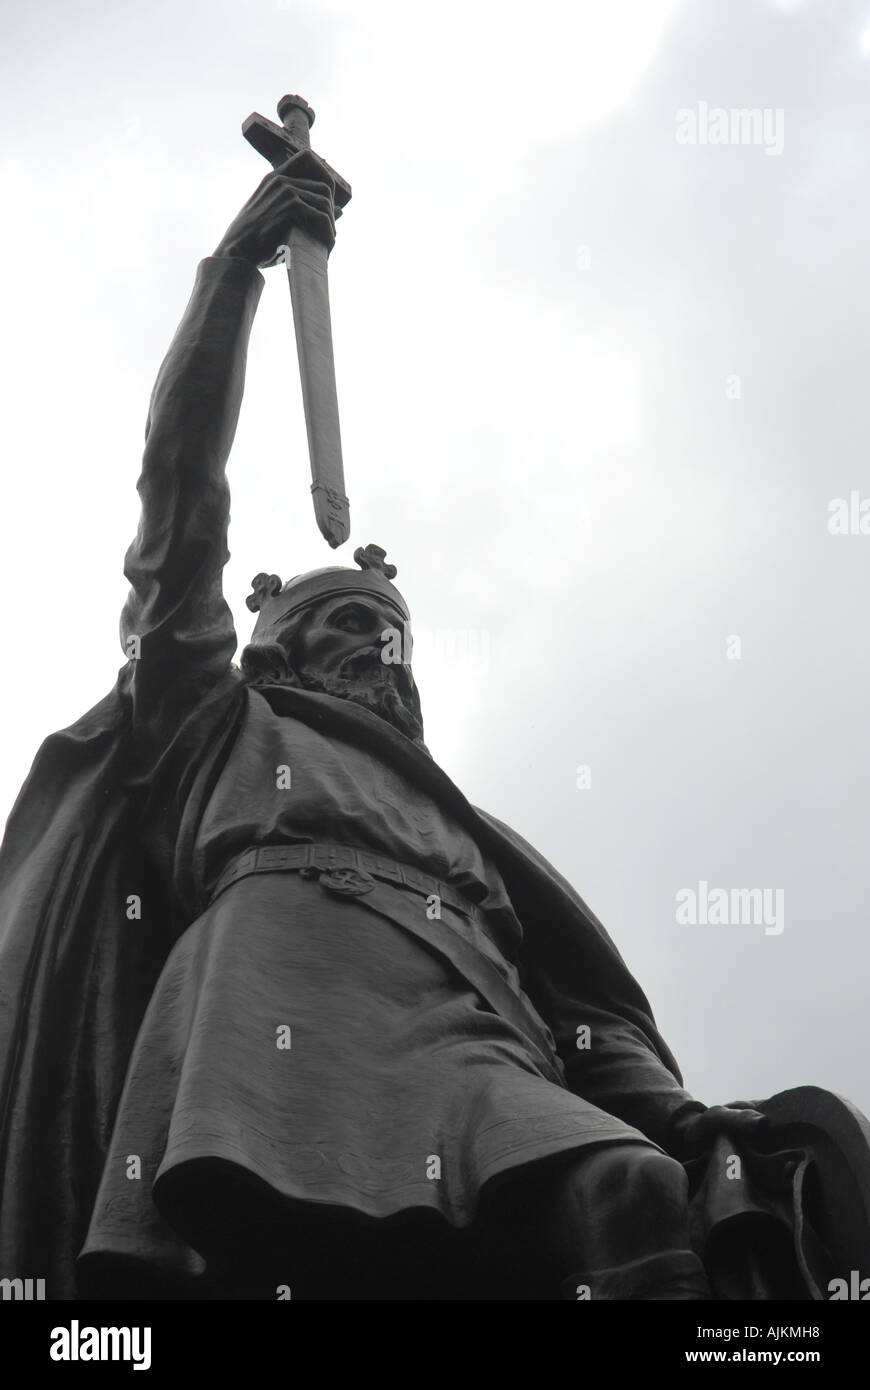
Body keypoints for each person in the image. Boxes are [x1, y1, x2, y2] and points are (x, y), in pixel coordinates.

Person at [0, 155, 770, 1301]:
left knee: (635, 1188)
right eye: (356, 626)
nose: (386, 655)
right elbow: (177, 499)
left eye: (396, 636)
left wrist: (678, 1113)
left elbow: (587, 1013)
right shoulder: (213, 717)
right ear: (281, 651)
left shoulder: (471, 829)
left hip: (477, 1036)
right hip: (274, 1018)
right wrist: (234, 278)